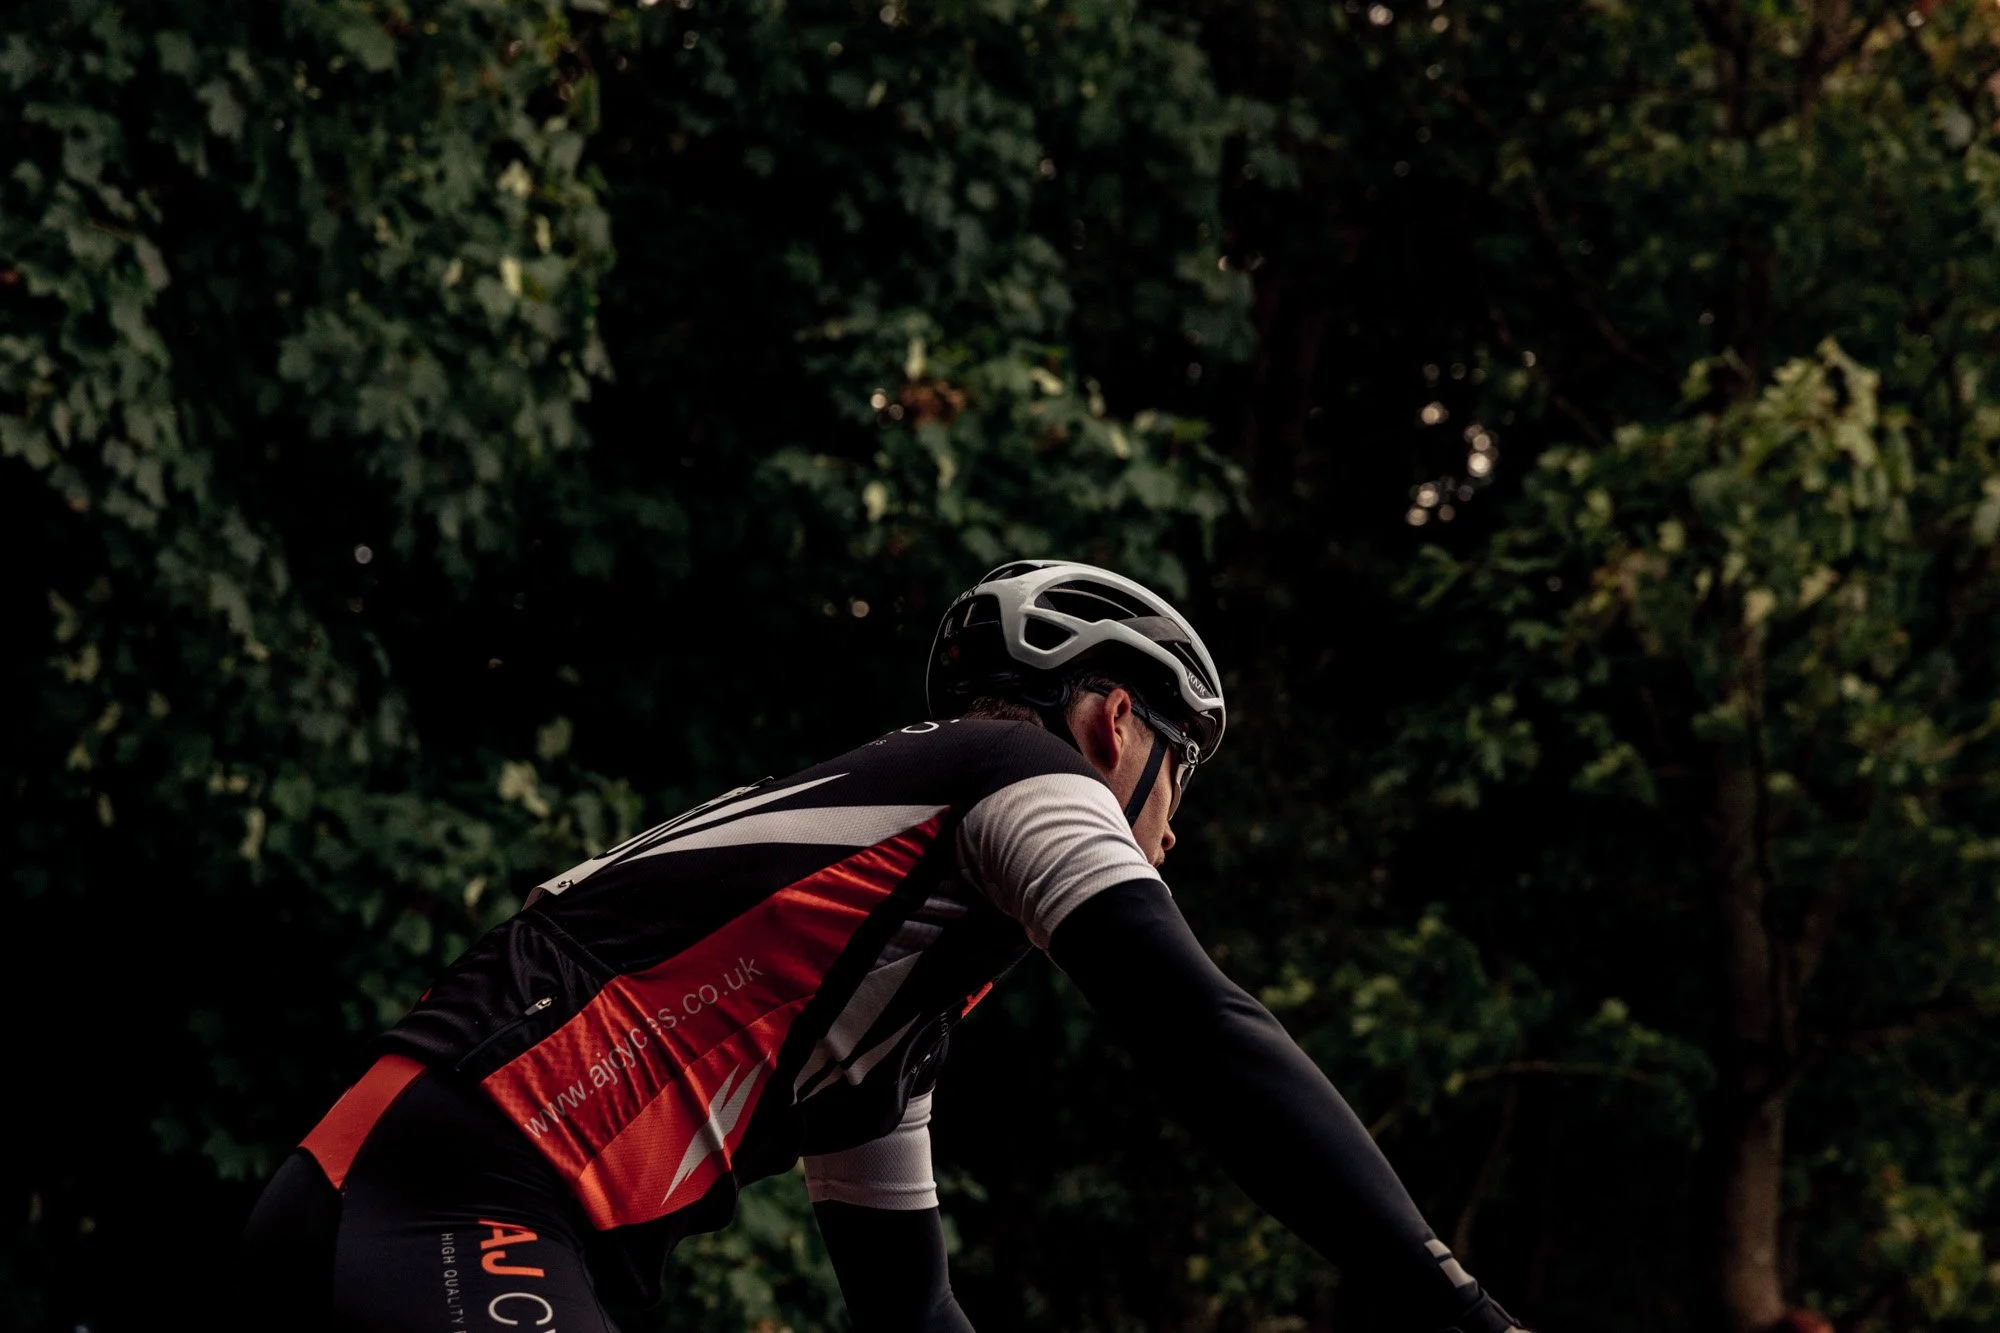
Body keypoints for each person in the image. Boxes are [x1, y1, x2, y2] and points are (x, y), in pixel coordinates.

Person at [240, 559, 1523, 1332]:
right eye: (1179, 781)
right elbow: (1199, 1031)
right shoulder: (1017, 766)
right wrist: (1442, 1297)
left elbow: (909, 1312)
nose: (1170, 834)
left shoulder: (871, 1012)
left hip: (395, 1195)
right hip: (458, 1197)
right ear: (1113, 724)